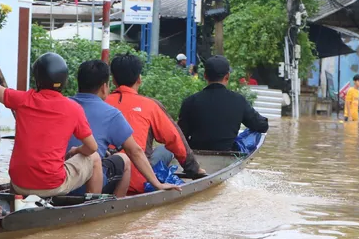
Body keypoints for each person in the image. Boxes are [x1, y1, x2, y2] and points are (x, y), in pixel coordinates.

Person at [0, 46, 103, 197]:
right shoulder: (74, 109)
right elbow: (92, 147)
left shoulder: (22, 100)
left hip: (19, 184)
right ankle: (94, 206)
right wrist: (77, 150)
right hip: (52, 185)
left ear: (38, 80)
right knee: (95, 158)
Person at [70, 60, 182, 197]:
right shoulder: (111, 113)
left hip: (61, 177)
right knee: (124, 159)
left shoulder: (62, 106)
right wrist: (157, 184)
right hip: (88, 183)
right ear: (104, 87)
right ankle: (116, 206)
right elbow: (135, 151)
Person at [108, 54, 204, 194]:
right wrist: (194, 169)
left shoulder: (101, 103)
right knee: (166, 149)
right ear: (139, 79)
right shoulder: (150, 105)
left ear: (113, 80)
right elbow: (175, 139)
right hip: (137, 182)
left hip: (104, 179)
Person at [178, 55, 269, 152]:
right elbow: (262, 126)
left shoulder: (190, 101)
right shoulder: (239, 100)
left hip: (196, 155)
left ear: (205, 75)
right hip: (227, 154)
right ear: (227, 76)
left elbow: (180, 135)